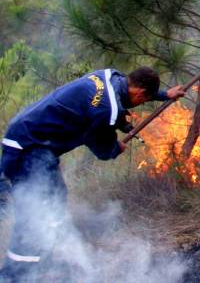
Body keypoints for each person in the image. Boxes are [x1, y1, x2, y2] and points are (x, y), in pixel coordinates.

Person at [0, 67, 186, 280]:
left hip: (32, 138)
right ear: (141, 93)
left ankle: (42, 257)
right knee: (35, 213)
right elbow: (103, 150)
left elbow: (108, 105)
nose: (141, 104)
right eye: (144, 100)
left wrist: (165, 95)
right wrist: (116, 148)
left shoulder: (109, 75)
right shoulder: (107, 110)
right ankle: (15, 275)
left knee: (55, 200)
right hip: (28, 147)